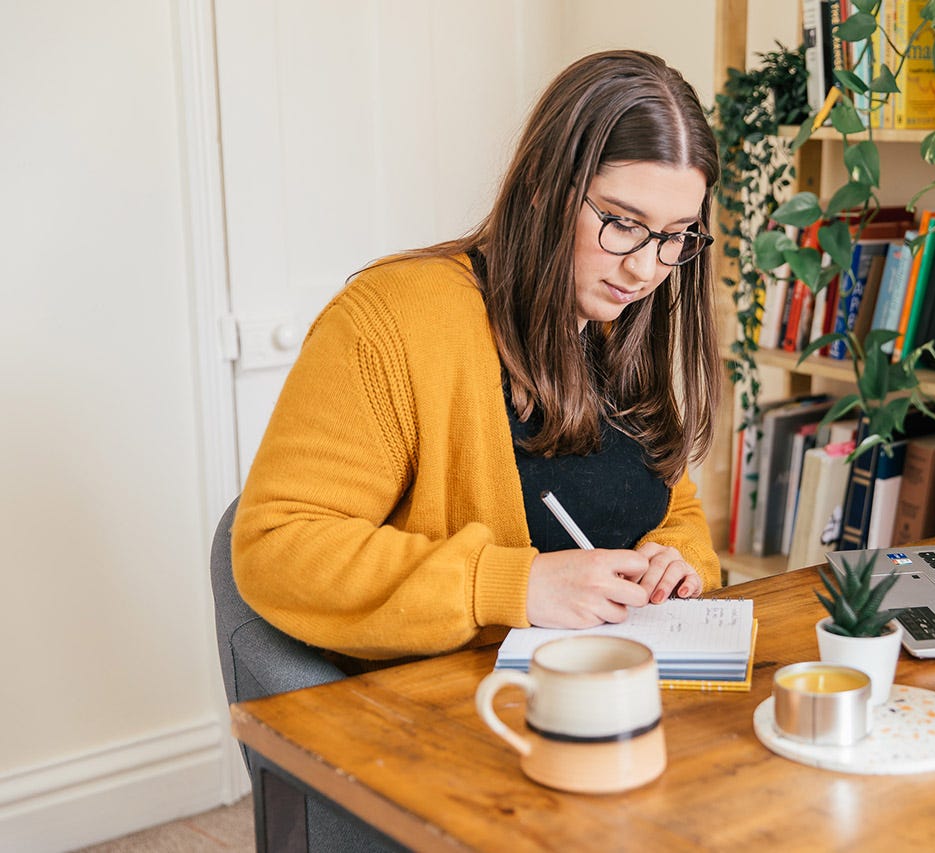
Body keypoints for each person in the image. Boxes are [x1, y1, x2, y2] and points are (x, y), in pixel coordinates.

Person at [231, 50, 723, 664]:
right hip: (459, 711)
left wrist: (678, 563)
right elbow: (278, 549)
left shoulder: (615, 321)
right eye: (622, 223)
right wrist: (514, 586)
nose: (647, 268)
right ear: (544, 187)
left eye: (676, 235)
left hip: (615, 685)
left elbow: (674, 506)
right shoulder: (393, 320)